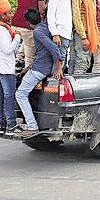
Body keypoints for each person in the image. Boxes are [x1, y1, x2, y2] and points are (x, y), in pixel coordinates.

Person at [15, 9, 62, 137]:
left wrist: (58, 67)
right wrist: (27, 68)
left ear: (28, 23)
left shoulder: (37, 32)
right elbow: (42, 52)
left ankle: (32, 126)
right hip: (39, 67)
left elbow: (53, 48)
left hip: (40, 69)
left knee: (20, 94)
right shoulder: (47, 27)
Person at [0, 0, 22, 136]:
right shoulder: (1, 30)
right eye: (8, 13)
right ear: (1, 16)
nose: (11, 15)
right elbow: (8, 49)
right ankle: (11, 126)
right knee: (8, 96)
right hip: (6, 68)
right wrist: (17, 38)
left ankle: (0, 126)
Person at [12, 0, 47, 68]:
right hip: (28, 25)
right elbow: (41, 10)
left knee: (18, 49)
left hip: (15, 24)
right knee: (30, 57)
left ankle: (18, 59)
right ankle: (27, 78)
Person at [71, 0, 100, 74]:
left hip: (89, 33)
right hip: (81, 34)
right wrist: (83, 37)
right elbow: (76, 17)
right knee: (82, 63)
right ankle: (76, 89)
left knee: (85, 62)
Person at [47, 0, 75, 66]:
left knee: (62, 60)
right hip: (60, 33)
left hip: (66, 33)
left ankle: (56, 81)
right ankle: (54, 82)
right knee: (59, 60)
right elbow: (51, 14)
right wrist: (54, 34)